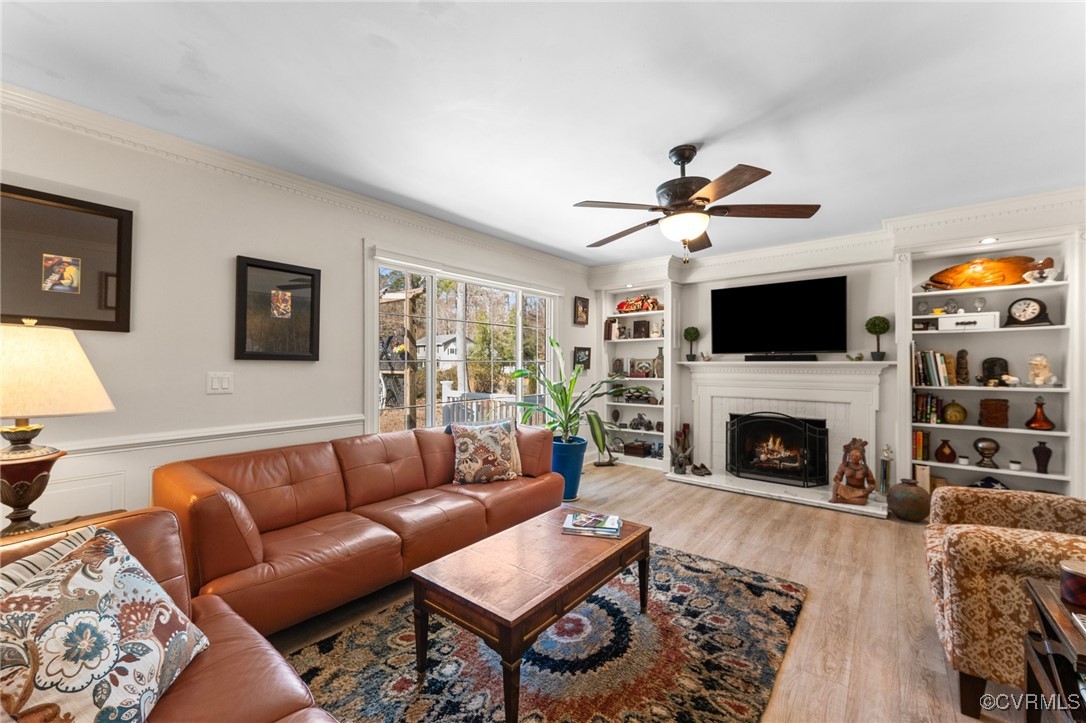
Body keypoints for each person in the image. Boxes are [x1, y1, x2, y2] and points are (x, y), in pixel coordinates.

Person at [830, 438, 877, 505]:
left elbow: (872, 484)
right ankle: (835, 498)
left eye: (857, 456)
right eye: (852, 455)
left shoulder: (865, 469)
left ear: (861, 457)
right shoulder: (844, 466)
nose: (854, 457)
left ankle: (840, 500)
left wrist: (868, 490)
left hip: (859, 491)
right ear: (849, 455)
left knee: (863, 501)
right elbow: (838, 478)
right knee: (836, 486)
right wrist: (837, 479)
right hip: (847, 489)